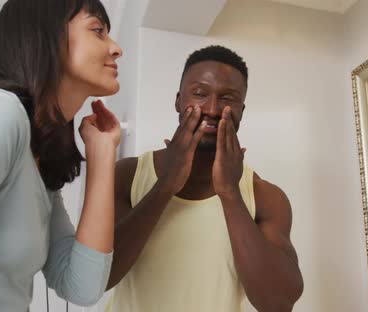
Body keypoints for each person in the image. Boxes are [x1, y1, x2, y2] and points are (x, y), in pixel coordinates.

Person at [0, 0, 123, 310]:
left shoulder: (37, 163)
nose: (116, 48)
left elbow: (80, 285)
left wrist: (102, 153)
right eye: (98, 31)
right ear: (48, 36)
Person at [106, 45, 304, 312]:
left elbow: (278, 303)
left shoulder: (265, 196)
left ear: (241, 110)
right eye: (199, 93)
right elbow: (99, 277)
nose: (212, 108)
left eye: (227, 98)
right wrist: (166, 185)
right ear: (178, 100)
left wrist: (230, 194)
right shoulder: (127, 175)